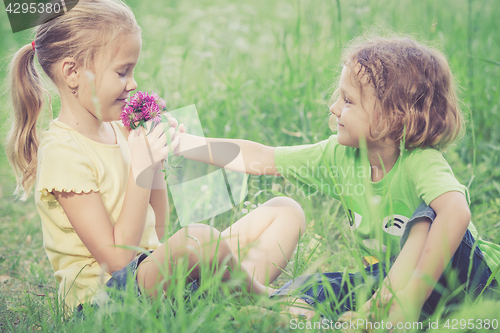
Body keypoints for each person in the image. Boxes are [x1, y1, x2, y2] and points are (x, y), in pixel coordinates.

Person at [174, 34, 499, 323]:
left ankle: (388, 308)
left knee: (427, 217)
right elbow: (262, 157)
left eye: (347, 101)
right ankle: (289, 311)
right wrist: (185, 144)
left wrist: (411, 293)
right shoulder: (339, 157)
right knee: (324, 284)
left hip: (471, 278)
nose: (333, 107)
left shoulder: (420, 162)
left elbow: (456, 212)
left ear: (393, 116)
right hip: (391, 279)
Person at [5, 0, 306, 312]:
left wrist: (157, 162)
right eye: (122, 72)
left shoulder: (119, 130)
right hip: (105, 304)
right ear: (73, 73)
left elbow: (157, 233)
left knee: (284, 211)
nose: (133, 84)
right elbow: (119, 260)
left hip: (151, 276)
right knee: (199, 238)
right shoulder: (63, 153)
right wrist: (141, 166)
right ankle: (268, 302)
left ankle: (235, 298)